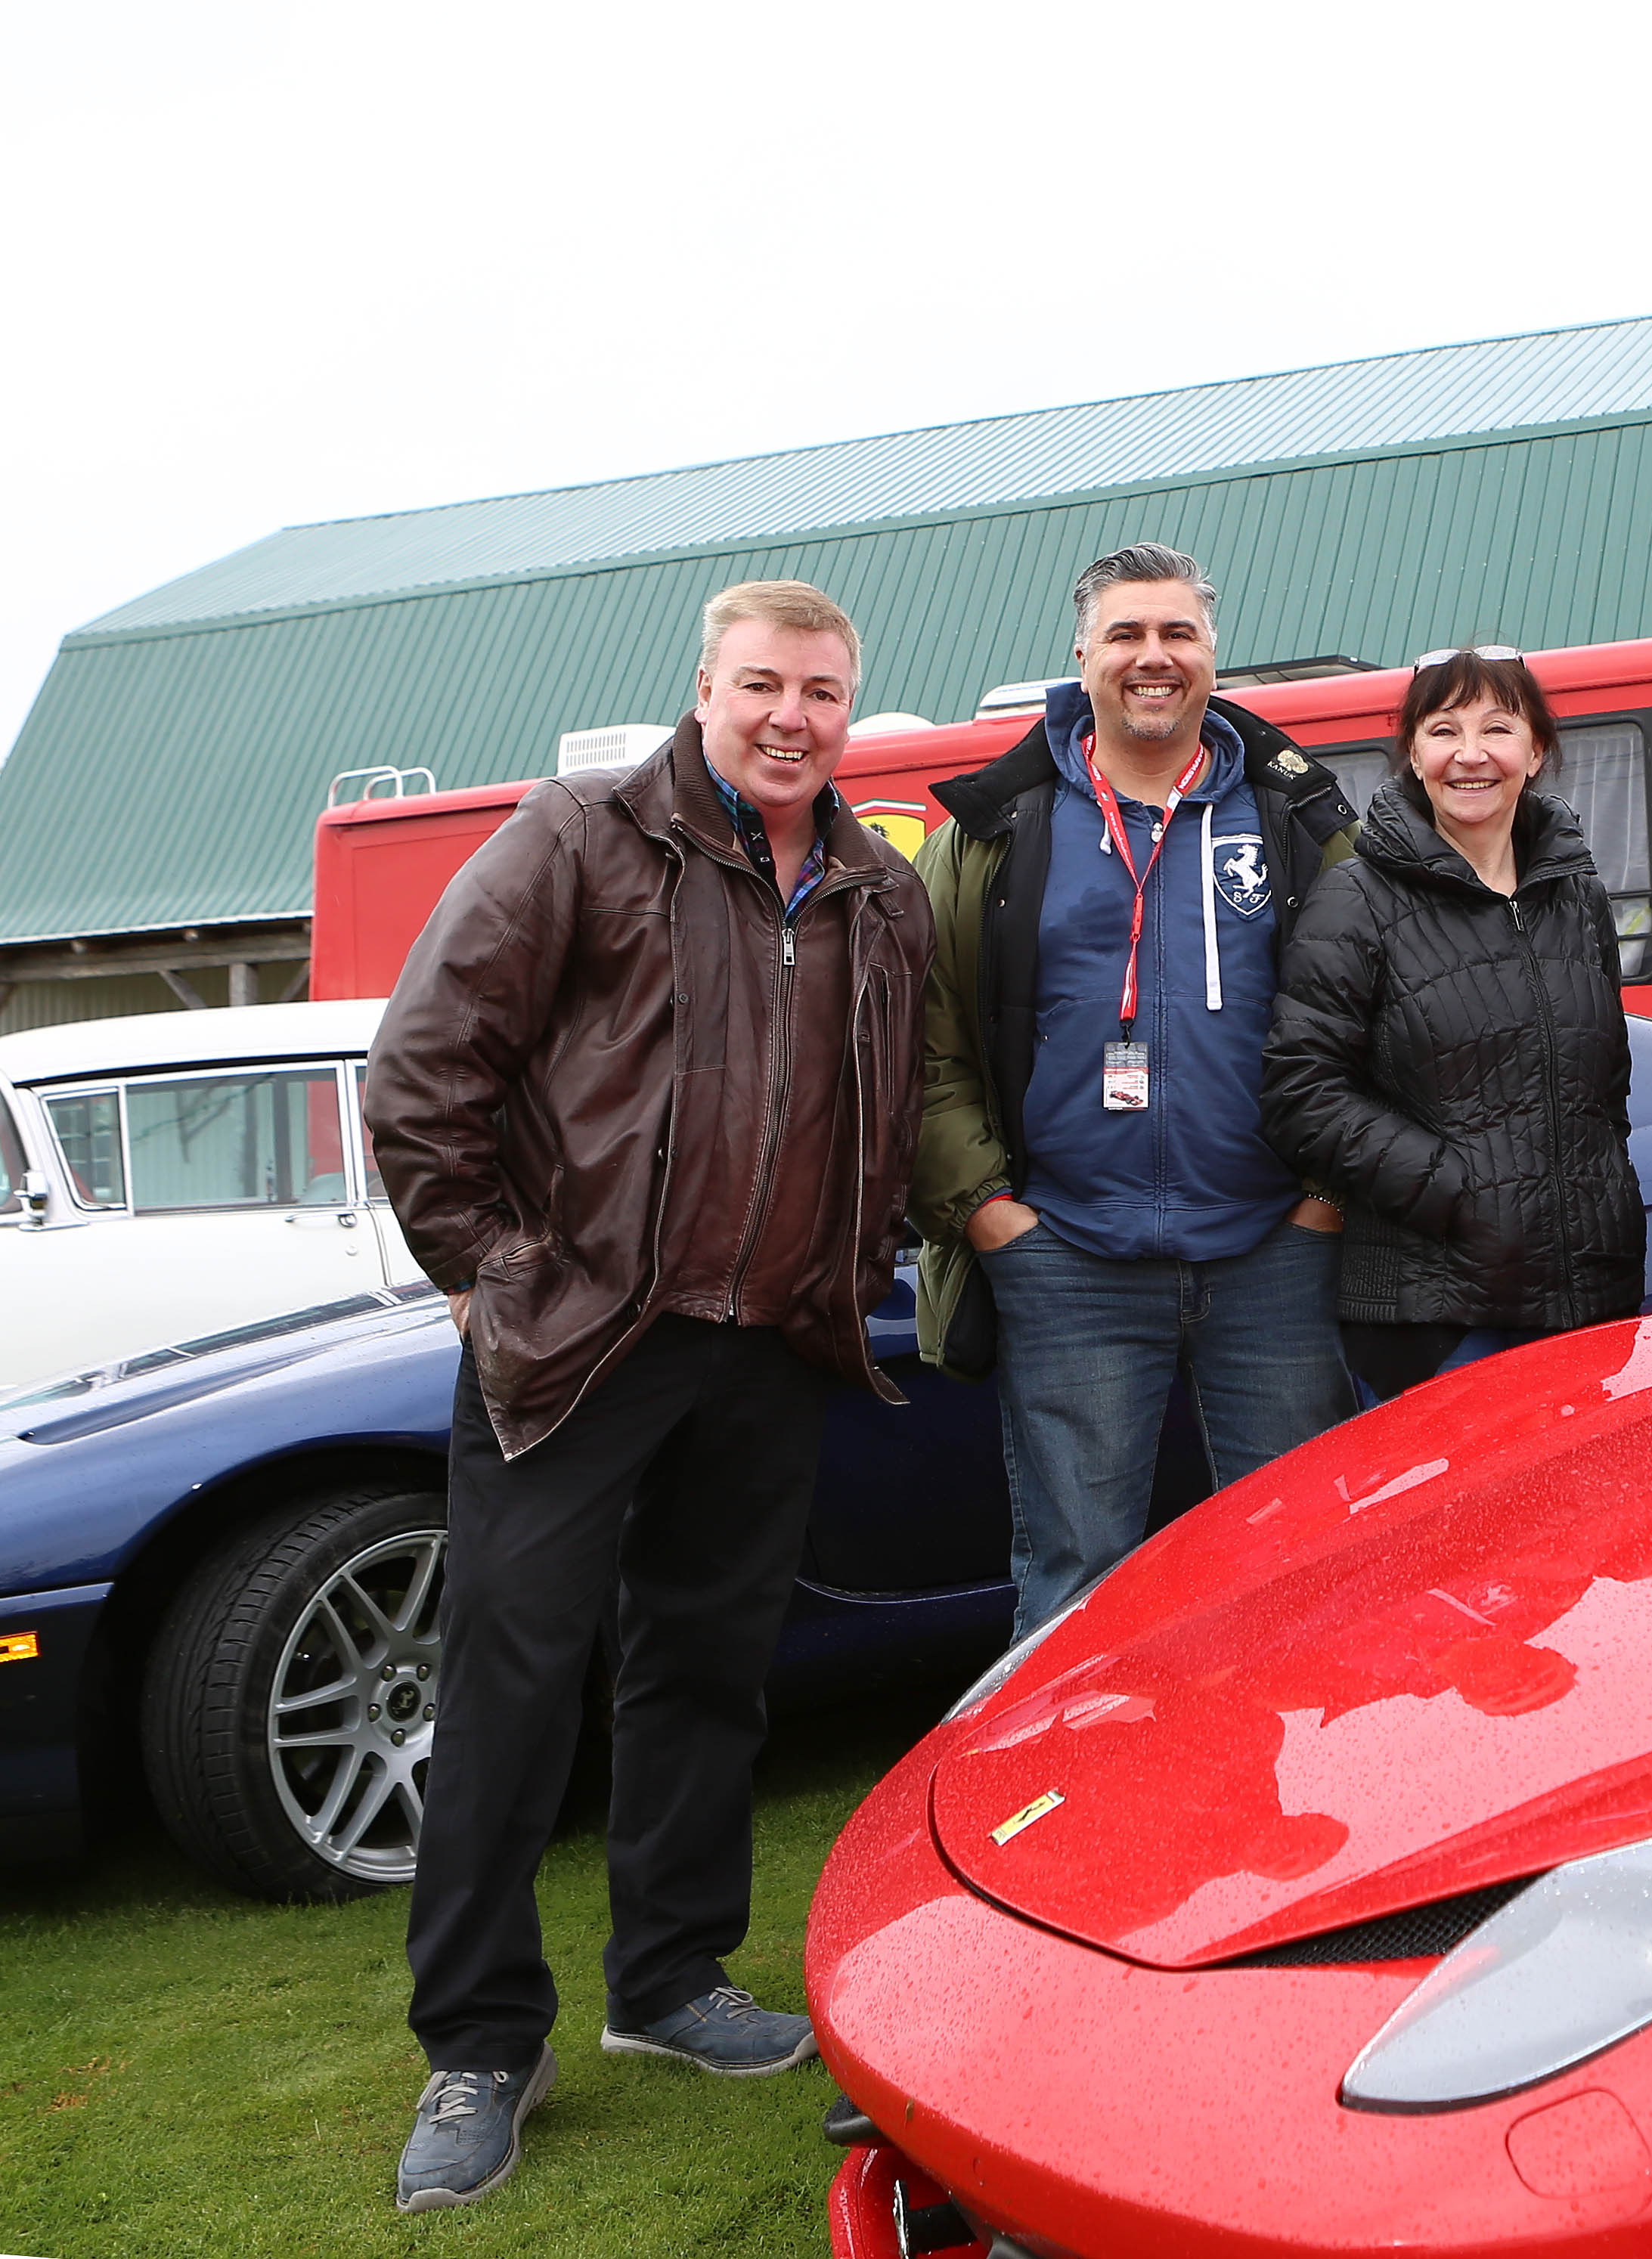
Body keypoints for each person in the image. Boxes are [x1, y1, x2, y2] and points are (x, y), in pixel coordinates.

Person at [362, 580, 928, 2213]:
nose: (792, 718)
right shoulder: (581, 835)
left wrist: (853, 1257)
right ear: (704, 688)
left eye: (823, 691)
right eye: (763, 684)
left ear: (849, 706)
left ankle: (670, 1981)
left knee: (710, 1675)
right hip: (577, 1345)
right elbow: (425, 1069)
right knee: (512, 1691)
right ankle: (479, 2041)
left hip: (769, 1348)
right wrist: (490, 1280)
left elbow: (881, 1107)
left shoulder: (881, 893)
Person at [908, 544, 1361, 1638]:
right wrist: (992, 1215)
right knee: (1076, 1590)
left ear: (1213, 653)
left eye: (1177, 634)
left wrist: (1323, 1205)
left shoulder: (1303, 823)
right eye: (1126, 634)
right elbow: (923, 1050)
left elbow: (1377, 1024)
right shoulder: (993, 832)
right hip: (1065, 1258)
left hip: (1272, 1256)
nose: (1152, 657)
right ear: (1081, 656)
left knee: (1298, 1571)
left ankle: (1292, 1811)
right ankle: (1072, 1809)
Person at [1261, 649, 1646, 1399]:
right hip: (1439, 1321)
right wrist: (1457, 1191)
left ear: (1535, 751)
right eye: (1444, 731)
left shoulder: (1576, 896)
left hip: (1588, 1305)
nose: (1471, 755)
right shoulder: (1358, 898)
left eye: (1497, 729)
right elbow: (1300, 1093)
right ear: (1412, 752)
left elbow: (1606, 1092)